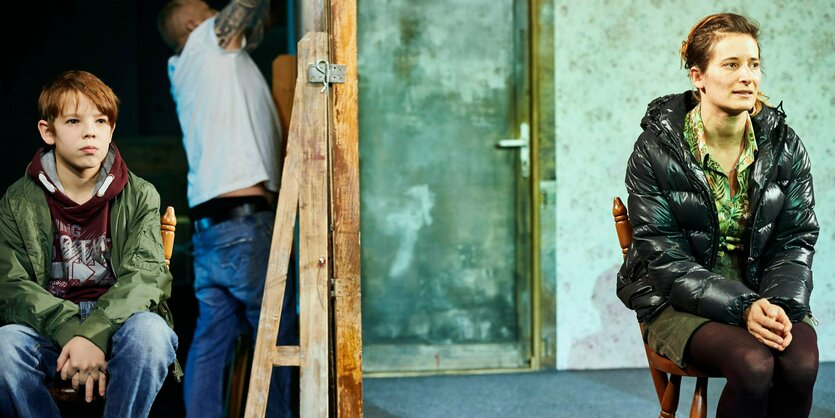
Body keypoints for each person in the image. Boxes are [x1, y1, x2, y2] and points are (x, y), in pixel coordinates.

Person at [617, 13, 819, 418]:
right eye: (731, 65)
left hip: (765, 289)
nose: (748, 76)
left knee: (800, 364)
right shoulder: (655, 149)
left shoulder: (783, 145)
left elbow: (795, 239)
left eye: (754, 64)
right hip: (676, 299)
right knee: (754, 364)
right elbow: (665, 261)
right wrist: (743, 308)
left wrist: (777, 304)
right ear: (698, 77)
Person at [0, 70, 179, 418]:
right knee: (5, 345)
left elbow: (146, 276)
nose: (90, 131)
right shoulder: (17, 200)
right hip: (49, 328)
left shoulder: (139, 194)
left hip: (119, 325)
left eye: (101, 120)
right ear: (47, 131)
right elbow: (11, 285)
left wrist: (94, 334)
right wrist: (72, 333)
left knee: (151, 335)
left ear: (111, 129)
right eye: (73, 120)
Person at [157, 1, 297, 416]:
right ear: (193, 23)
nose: (217, 10)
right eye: (208, 8)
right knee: (277, 335)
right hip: (246, 223)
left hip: (211, 229)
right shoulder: (207, 43)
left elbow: (259, 18)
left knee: (210, 342)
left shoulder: (188, 67)